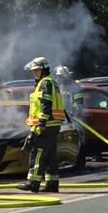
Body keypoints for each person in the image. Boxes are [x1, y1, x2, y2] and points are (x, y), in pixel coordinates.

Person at [17, 56, 65, 193]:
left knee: (37, 152)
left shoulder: (45, 83)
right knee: (50, 155)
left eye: (36, 70)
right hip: (53, 123)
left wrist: (42, 122)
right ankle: (52, 183)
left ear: (43, 70)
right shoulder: (49, 82)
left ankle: (33, 182)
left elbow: (46, 104)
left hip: (46, 124)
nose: (34, 72)